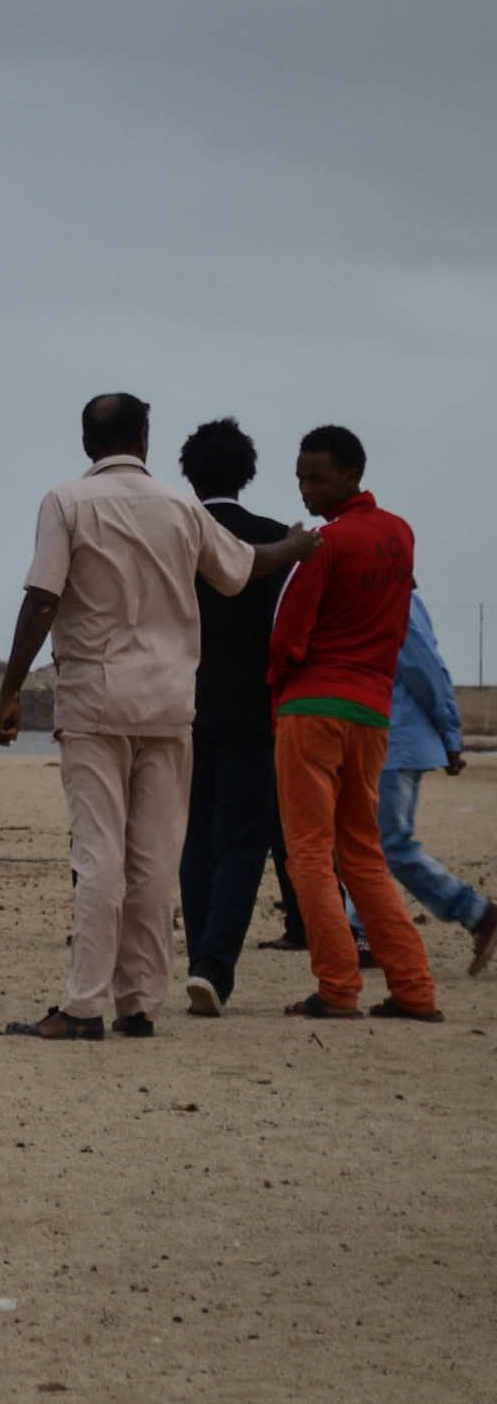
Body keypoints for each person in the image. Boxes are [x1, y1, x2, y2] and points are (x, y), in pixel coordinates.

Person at [0, 393, 316, 1042]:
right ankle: (139, 1002)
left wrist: (10, 688)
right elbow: (243, 569)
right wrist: (296, 543)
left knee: (98, 853)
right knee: (153, 858)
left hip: (95, 700)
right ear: (143, 439)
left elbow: (42, 597)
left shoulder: (66, 502)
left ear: (89, 443)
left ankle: (84, 1003)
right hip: (171, 703)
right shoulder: (179, 507)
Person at [270, 427, 443, 1022]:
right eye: (300, 477)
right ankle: (415, 990)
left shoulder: (323, 544)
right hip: (372, 710)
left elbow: (289, 634)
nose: (306, 489)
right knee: (363, 852)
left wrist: (277, 686)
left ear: (350, 475)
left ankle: (339, 986)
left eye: (316, 478)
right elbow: (394, 620)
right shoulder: (400, 534)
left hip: (312, 709)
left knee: (310, 856)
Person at [175, 419, 297, 1016]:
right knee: (243, 842)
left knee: (195, 836)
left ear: (187, 472)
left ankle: (202, 952)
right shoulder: (277, 540)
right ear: (246, 474)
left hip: (183, 705)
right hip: (254, 708)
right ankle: (214, 965)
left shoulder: (174, 536)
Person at [346, 593, 497, 971]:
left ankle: (478, 913)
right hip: (373, 737)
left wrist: (451, 735)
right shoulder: (366, 598)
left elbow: (427, 670)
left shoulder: (397, 602)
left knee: (389, 845)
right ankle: (364, 934)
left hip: (397, 740)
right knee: (364, 842)